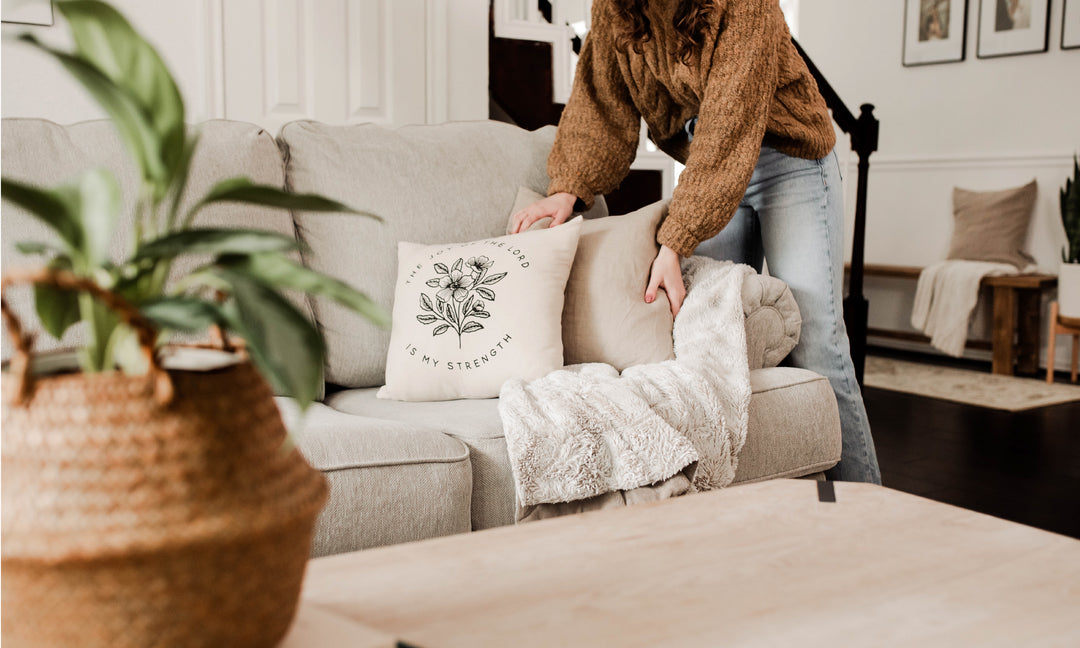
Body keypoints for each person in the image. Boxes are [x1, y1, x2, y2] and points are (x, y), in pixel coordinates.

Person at [509, 0, 881, 484]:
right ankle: (759, 505)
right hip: (710, 163)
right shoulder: (614, 8)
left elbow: (732, 118)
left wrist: (677, 240)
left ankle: (862, 513)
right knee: (716, 345)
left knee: (817, 346)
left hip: (790, 161)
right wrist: (568, 188)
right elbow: (600, 101)